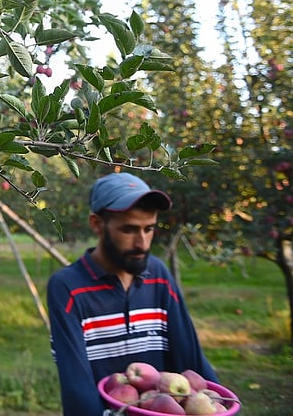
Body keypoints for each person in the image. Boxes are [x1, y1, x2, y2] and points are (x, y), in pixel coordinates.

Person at [46, 173, 217, 416]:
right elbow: (77, 389)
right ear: (97, 224)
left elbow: (191, 358)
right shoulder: (68, 288)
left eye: (149, 229)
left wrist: (218, 403)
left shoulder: (158, 275)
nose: (142, 243)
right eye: (129, 230)